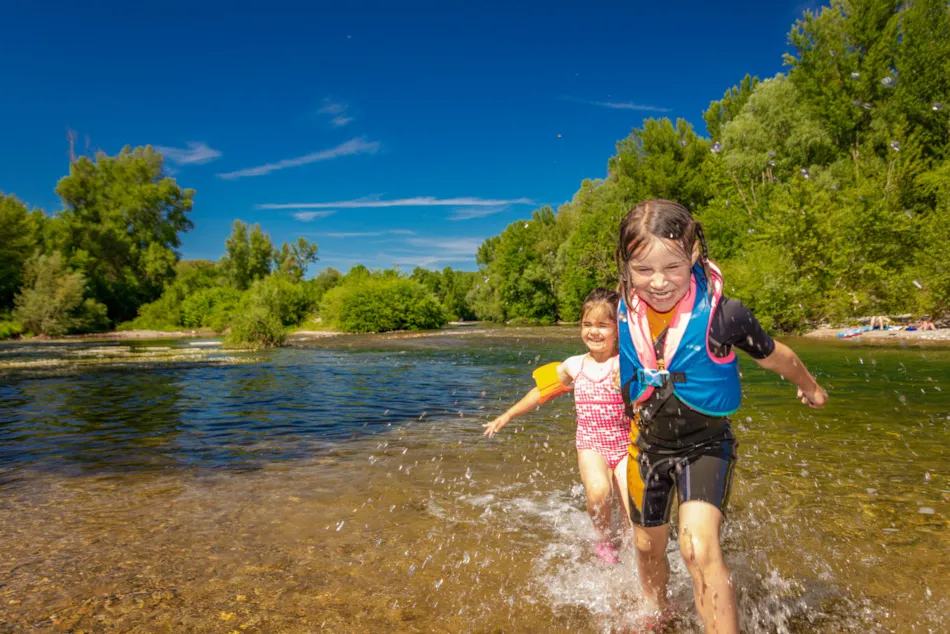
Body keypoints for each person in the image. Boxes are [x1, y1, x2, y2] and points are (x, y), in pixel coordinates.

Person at [614, 199, 827, 634]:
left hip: (705, 445)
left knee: (697, 546)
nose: (657, 283)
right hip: (647, 445)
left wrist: (810, 386)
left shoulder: (724, 314)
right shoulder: (623, 306)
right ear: (626, 265)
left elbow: (776, 357)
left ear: (693, 255)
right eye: (643, 269)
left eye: (672, 267)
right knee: (646, 545)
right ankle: (657, 614)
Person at [483, 288, 632, 563]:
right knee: (599, 491)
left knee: (632, 505)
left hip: (625, 444)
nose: (593, 332)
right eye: (587, 324)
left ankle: (631, 546)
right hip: (591, 445)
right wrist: (508, 415)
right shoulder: (574, 365)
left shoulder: (626, 363)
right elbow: (543, 391)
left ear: (618, 329)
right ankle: (603, 542)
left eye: (603, 325)